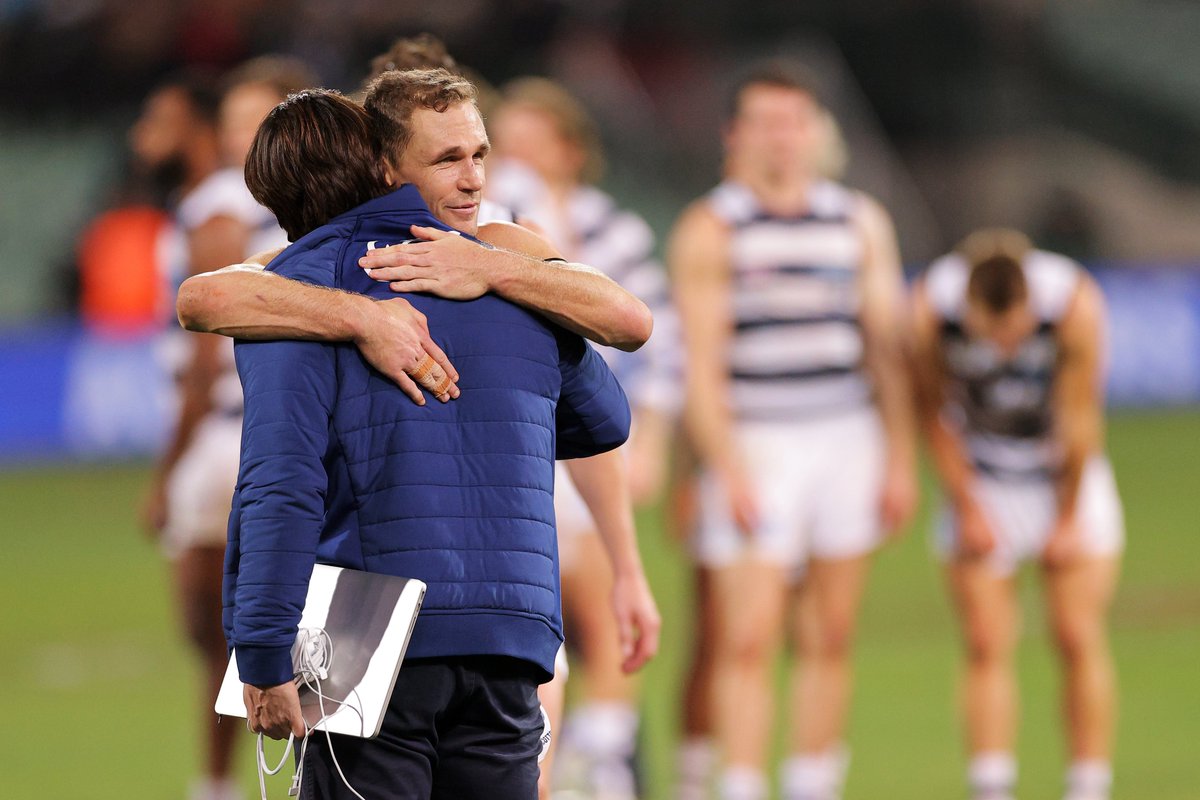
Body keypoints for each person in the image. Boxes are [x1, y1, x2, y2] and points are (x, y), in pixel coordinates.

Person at [228, 76, 656, 799]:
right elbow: (604, 420)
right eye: (449, 158)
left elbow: (281, 484)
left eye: (478, 155)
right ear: (382, 165)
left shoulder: (296, 297)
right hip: (509, 633)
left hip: (363, 631)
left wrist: (263, 654)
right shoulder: (514, 281)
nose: (474, 178)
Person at [669, 61, 918, 800]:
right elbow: (703, 367)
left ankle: (813, 783)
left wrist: (900, 456)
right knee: (746, 639)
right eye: (767, 123)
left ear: (816, 131)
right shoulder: (713, 226)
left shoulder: (859, 220)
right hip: (759, 439)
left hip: (846, 438)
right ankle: (740, 784)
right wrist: (728, 470)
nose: (783, 138)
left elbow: (886, 352)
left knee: (829, 634)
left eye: (796, 121)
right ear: (736, 135)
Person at [486, 75, 681, 800]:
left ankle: (602, 760)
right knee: (544, 612)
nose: (518, 157)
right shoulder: (489, 224)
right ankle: (557, 757)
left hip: (591, 433)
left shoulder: (613, 230)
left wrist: (650, 443)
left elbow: (655, 346)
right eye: (510, 143)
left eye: (534, 144)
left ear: (571, 151)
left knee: (600, 605)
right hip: (525, 439)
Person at [133, 65, 301, 800]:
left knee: (219, 634)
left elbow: (206, 354)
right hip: (280, 431)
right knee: (277, 630)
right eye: (233, 118)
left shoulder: (217, 203)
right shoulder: (304, 204)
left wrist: (166, 471)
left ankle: (217, 784)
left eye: (253, 119)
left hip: (226, 441)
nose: (239, 133)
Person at [911, 229, 1122, 800]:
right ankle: (991, 785)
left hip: (1061, 475)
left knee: (1076, 633)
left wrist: (1067, 517)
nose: (1004, 346)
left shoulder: (1073, 304)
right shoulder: (931, 308)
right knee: (985, 639)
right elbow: (931, 412)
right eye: (990, 333)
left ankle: (1087, 784)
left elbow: (1080, 418)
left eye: (1014, 331)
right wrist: (968, 507)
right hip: (982, 475)